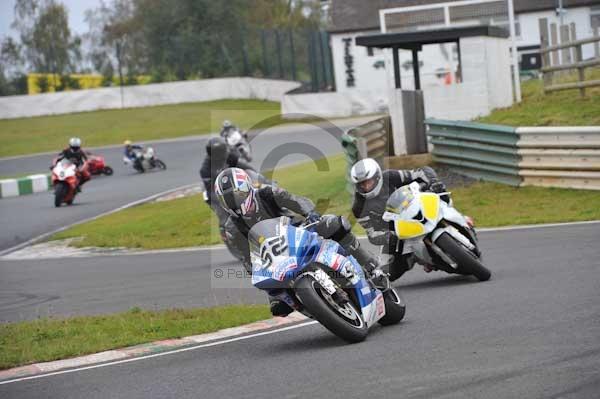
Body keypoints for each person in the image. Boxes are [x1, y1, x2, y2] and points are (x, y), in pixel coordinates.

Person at [214, 167, 388, 317]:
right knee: (278, 306)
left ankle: (371, 267)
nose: (234, 201)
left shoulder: (267, 192)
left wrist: (310, 213)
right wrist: (256, 272)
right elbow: (247, 257)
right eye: (228, 198)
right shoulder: (232, 228)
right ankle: (309, 306)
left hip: (298, 231)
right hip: (274, 258)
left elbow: (296, 201)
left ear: (247, 187)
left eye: (236, 195)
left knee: (337, 225)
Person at [350, 158, 447, 281]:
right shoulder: (358, 207)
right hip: (396, 233)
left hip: (416, 209)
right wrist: (388, 236)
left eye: (368, 182)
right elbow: (372, 234)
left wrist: (433, 181)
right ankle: (412, 258)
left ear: (377, 177)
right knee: (383, 275)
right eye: (362, 184)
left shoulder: (390, 176)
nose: (366, 187)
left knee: (442, 197)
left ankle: (461, 222)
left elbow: (420, 172)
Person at [200, 137, 255, 237]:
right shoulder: (206, 169)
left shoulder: (229, 155)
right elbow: (212, 192)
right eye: (223, 151)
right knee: (223, 213)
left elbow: (246, 166)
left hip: (229, 186)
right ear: (216, 154)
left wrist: (258, 177)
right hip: (212, 192)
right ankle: (226, 235)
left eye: (225, 149)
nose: (226, 152)